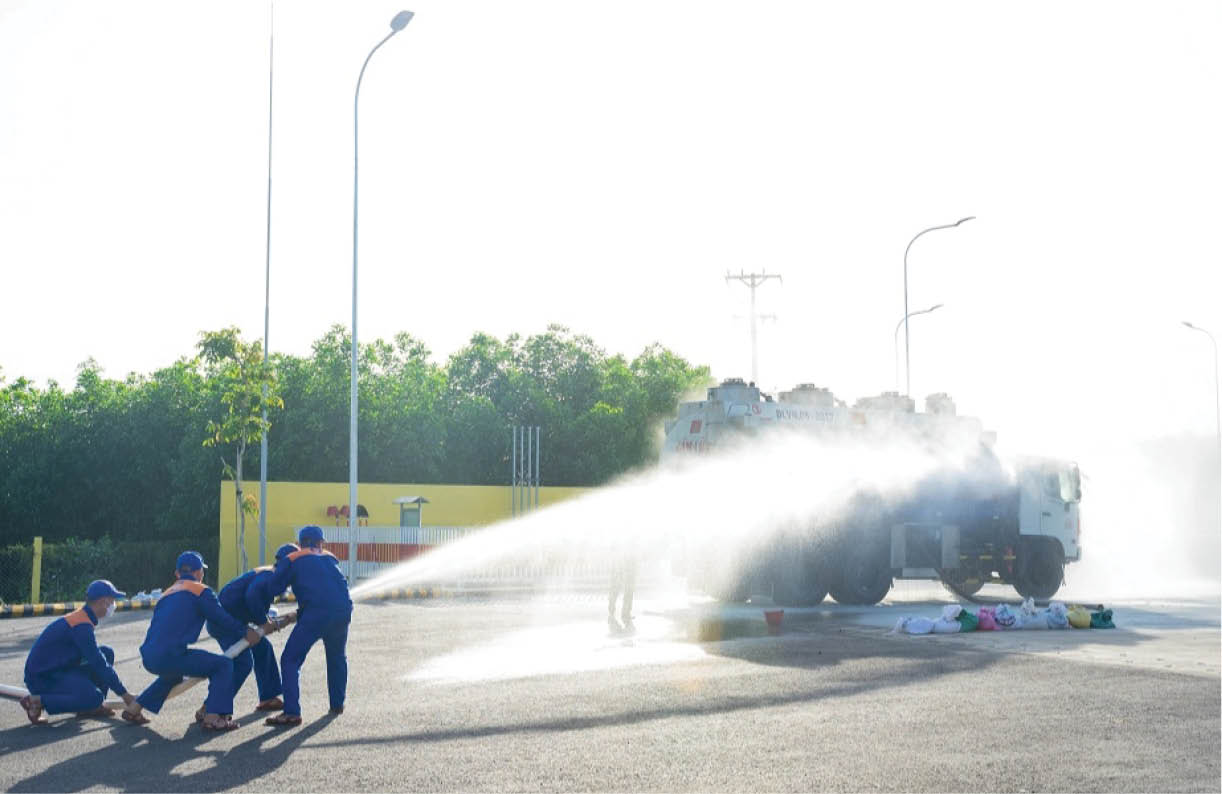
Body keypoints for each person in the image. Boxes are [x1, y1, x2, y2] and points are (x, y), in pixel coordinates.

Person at [121, 551, 267, 731]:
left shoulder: (166, 594)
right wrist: (245, 631)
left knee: (172, 676)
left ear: (177, 574)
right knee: (222, 665)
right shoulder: (201, 591)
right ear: (200, 573)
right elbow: (221, 618)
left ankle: (134, 708)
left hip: (149, 656)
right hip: (172, 654)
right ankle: (213, 717)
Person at [193, 542, 298, 722]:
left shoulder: (271, 573)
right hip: (225, 624)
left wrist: (263, 623)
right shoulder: (273, 576)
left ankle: (268, 696)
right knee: (243, 663)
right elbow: (252, 595)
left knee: (263, 647)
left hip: (234, 620)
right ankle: (211, 707)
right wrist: (263, 622)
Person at [265, 525, 352, 727]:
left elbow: (275, 588)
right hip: (343, 612)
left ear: (299, 544)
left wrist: (279, 572)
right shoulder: (330, 559)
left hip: (316, 615)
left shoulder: (294, 559)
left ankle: (292, 712)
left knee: (290, 659)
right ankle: (337, 704)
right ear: (321, 543)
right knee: (337, 657)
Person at [19, 579, 136, 724]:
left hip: (58, 668)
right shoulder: (81, 626)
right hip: (43, 678)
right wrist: (124, 694)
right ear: (102, 602)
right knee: (94, 695)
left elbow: (97, 658)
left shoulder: (83, 618)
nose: (113, 606)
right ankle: (37, 701)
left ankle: (93, 707)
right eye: (111, 602)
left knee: (107, 653)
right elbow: (98, 663)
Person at [607, 545, 638, 635]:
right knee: (615, 595)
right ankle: (613, 613)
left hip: (622, 579)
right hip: (618, 579)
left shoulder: (626, 556)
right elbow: (617, 568)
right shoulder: (618, 557)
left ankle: (623, 613)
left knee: (624, 595)